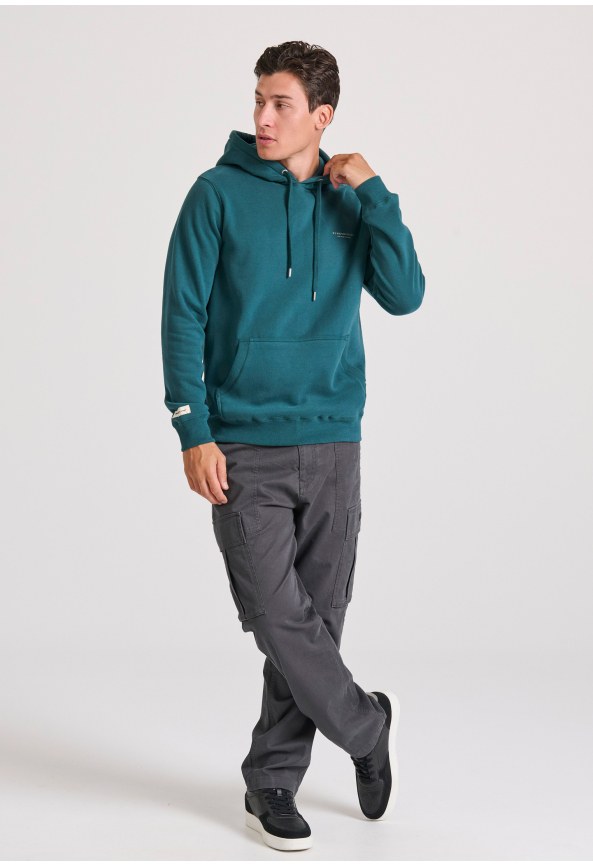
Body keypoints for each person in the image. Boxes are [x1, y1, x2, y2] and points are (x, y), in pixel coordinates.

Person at [161, 40, 425, 852]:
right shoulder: (214, 194)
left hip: (334, 441)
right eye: (258, 100)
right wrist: (192, 428)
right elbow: (182, 315)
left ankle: (271, 779)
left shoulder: (351, 202)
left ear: (322, 115)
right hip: (243, 443)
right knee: (278, 616)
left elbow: (405, 295)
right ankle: (365, 726)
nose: (262, 117)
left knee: (318, 620)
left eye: (280, 103)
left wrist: (374, 193)